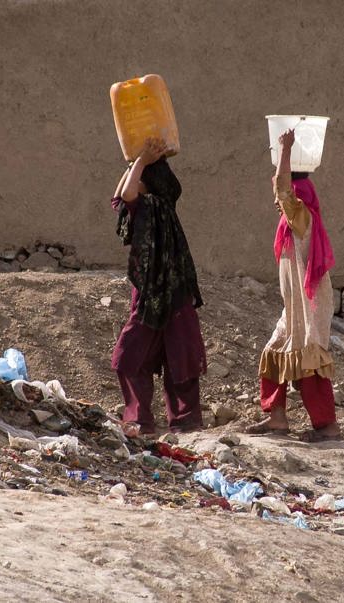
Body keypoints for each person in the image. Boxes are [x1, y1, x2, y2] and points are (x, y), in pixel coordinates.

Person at [247, 129, 340, 441]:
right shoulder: (291, 224)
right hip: (296, 303)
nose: (276, 198)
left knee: (309, 359)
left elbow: (284, 190)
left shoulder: (301, 216)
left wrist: (285, 149)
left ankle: (327, 426)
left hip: (309, 302)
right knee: (276, 350)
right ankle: (277, 418)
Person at [110, 137, 206, 435]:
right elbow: (118, 196)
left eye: (138, 175)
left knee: (175, 357)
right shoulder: (155, 206)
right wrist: (137, 161)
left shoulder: (149, 207)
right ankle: (150, 419)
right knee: (136, 355)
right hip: (165, 293)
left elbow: (125, 194)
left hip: (161, 294)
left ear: (147, 183)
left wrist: (141, 162)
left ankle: (173, 421)